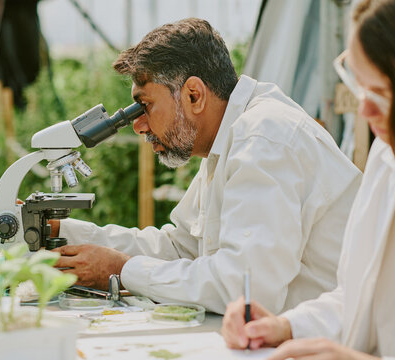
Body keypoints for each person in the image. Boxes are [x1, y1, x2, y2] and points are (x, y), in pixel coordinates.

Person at [47, 18, 361, 315]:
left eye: (145, 106)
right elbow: (181, 248)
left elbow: (245, 289)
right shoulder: (230, 140)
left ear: (194, 95)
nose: (138, 126)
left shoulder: (264, 138)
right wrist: (66, 233)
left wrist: (122, 269)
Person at [221, 0, 395, 357]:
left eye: (384, 94)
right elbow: (359, 295)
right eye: (357, 84)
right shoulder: (390, 153)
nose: (364, 109)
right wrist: (286, 326)